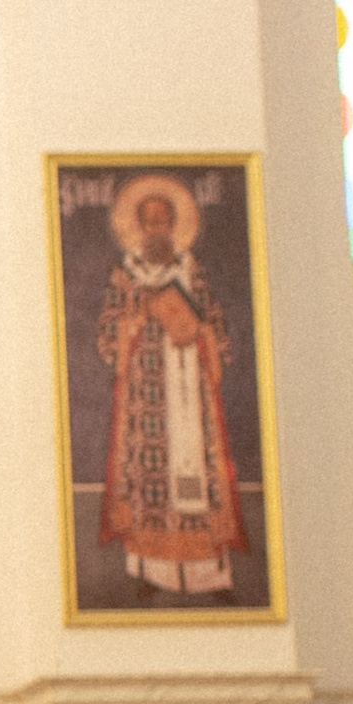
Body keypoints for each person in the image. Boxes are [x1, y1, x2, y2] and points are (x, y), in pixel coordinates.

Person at [94, 176, 248, 600]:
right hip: (147, 400)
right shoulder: (126, 274)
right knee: (149, 485)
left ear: (174, 225)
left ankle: (211, 576)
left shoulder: (190, 269)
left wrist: (197, 331)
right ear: (139, 227)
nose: (157, 230)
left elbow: (215, 325)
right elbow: (107, 333)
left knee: (199, 476)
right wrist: (139, 318)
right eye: (149, 223)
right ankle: (148, 571)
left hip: (189, 391)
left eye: (164, 222)